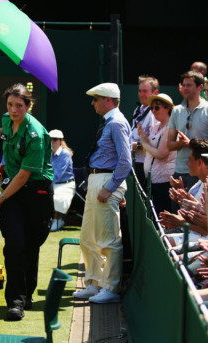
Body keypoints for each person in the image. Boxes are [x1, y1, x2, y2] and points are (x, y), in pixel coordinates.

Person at [0, 83, 54, 321]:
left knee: (30, 246)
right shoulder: (8, 119)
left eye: (19, 105)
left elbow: (23, 176)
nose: (13, 110)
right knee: (14, 246)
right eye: (10, 104)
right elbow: (3, 131)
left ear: (28, 106)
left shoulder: (36, 134)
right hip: (12, 190)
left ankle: (27, 295)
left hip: (35, 191)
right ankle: (15, 301)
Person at [72, 82, 132, 304]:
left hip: (106, 181)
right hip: (98, 180)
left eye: (96, 98)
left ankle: (112, 288)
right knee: (88, 237)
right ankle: (95, 282)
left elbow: (126, 161)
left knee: (108, 239)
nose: (92, 102)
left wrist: (111, 187)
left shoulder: (116, 123)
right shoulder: (110, 122)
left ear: (108, 99)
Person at [166, 71, 208, 205]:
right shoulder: (176, 110)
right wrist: (182, 143)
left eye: (189, 85)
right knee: (179, 216)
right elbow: (169, 145)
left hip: (203, 174)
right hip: (179, 172)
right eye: (184, 85)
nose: (185, 88)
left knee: (197, 216)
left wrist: (190, 143)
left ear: (200, 87)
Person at [138, 93, 176, 214]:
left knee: (163, 217)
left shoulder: (171, 127)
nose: (153, 111)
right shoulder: (155, 127)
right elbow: (148, 152)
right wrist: (144, 139)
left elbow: (161, 154)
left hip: (164, 182)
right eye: (151, 108)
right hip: (152, 180)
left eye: (157, 107)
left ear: (168, 108)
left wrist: (144, 141)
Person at [129, 75, 158, 187]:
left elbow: (152, 142)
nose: (141, 94)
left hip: (146, 166)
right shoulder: (138, 110)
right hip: (134, 163)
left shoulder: (155, 112)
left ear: (155, 92)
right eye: (140, 91)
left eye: (145, 91)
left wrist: (131, 146)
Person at [48, 129, 75, 232]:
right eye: (50, 139)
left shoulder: (65, 154)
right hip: (53, 183)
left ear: (60, 141)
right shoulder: (48, 153)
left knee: (55, 197)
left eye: (55, 139)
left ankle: (58, 219)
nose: (52, 142)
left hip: (66, 185)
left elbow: (58, 175)